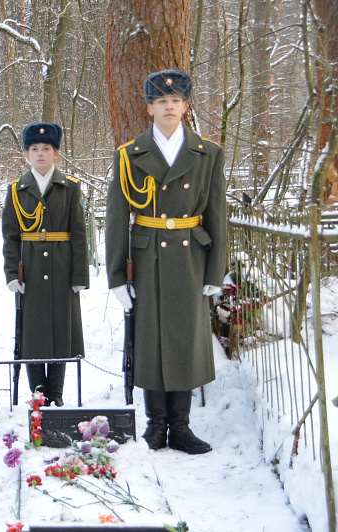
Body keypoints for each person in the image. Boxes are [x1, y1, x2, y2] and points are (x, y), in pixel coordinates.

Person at [105, 70, 227, 454]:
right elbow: (115, 219)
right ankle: (156, 427)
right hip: (147, 257)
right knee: (152, 340)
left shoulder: (209, 153)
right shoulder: (129, 155)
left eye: (175, 101)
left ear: (186, 106)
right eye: (161, 101)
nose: (169, 107)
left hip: (191, 255)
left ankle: (182, 426)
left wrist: (215, 270)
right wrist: (116, 278)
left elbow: (217, 215)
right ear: (149, 108)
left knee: (185, 341)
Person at [2, 123, 89, 406]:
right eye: (34, 149)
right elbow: (11, 237)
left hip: (62, 269)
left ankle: (58, 394)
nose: (40, 154)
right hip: (31, 270)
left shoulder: (70, 188)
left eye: (46, 149)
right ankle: (38, 395)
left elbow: (78, 235)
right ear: (27, 154)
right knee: (34, 334)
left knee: (61, 331)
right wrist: (12, 273)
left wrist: (79, 275)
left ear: (56, 154)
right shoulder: (17, 190)